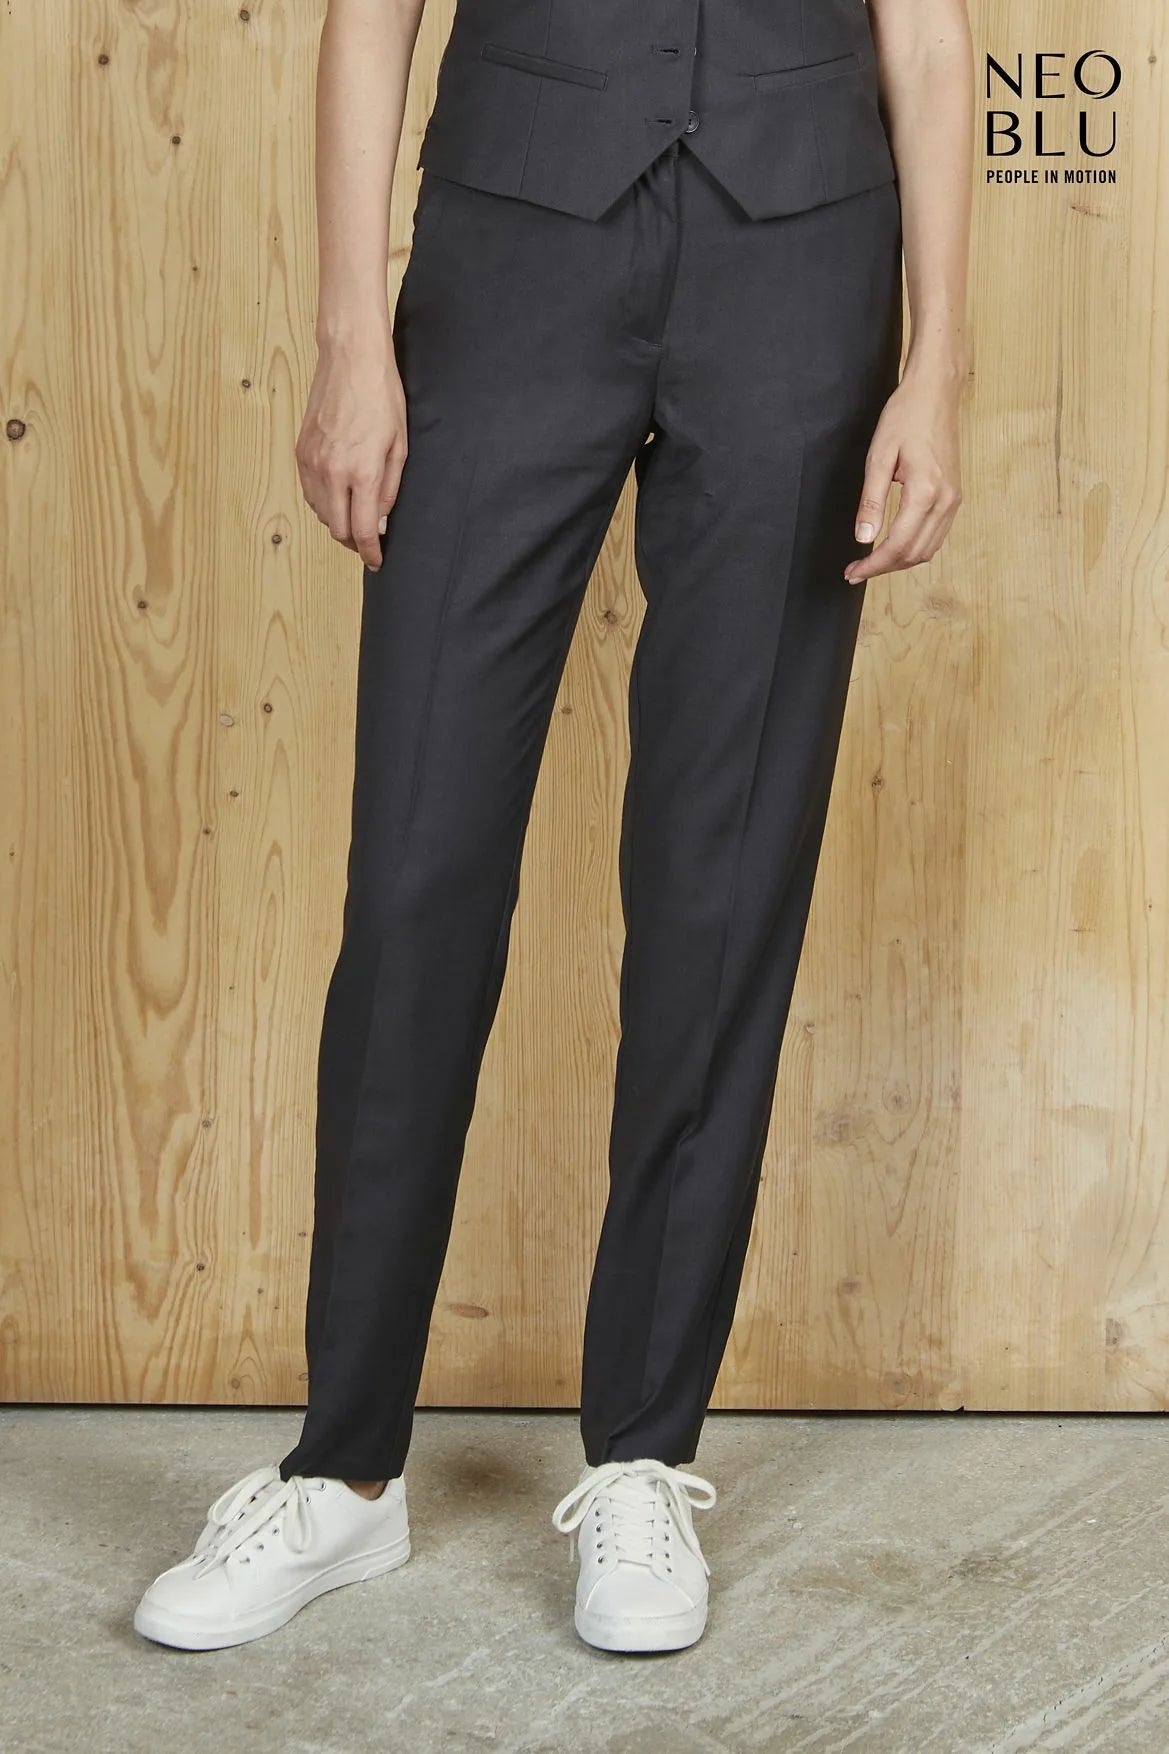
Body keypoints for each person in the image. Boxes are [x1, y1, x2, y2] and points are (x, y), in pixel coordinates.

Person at [134, 0, 973, 1655]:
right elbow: (369, 14)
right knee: (418, 869)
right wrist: (349, 334)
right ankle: (341, 1471)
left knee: (721, 878)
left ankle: (643, 1452)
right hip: (511, 250)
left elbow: (929, 41)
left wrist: (935, 369)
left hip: (800, 261)